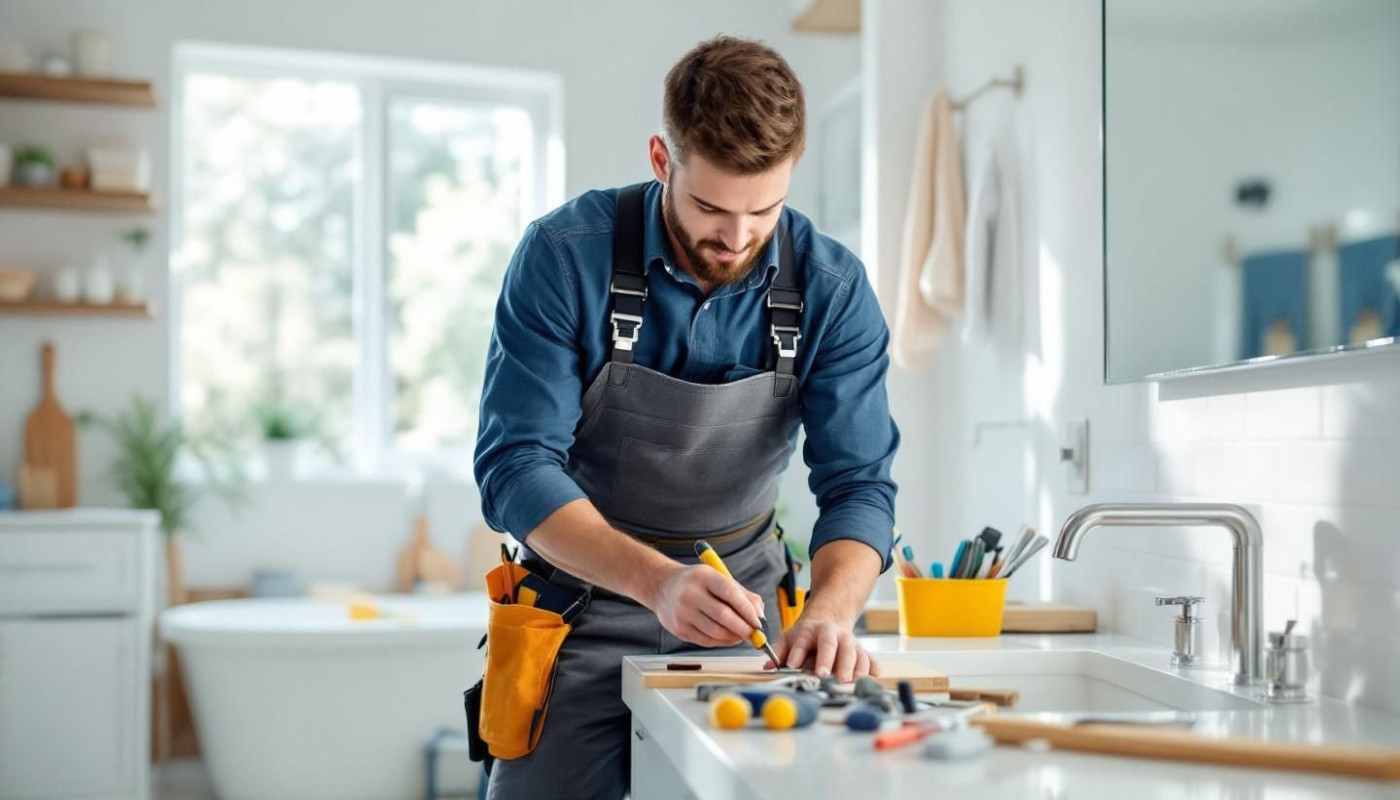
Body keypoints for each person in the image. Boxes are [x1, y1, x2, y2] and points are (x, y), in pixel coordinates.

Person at [473, 34, 899, 799]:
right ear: (661, 160)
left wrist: (832, 614)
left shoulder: (834, 289)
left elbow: (861, 486)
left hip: (751, 617)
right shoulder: (564, 256)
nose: (735, 240)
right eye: (710, 207)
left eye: (764, 209)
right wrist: (657, 582)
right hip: (580, 606)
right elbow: (514, 470)